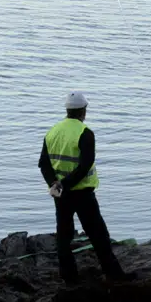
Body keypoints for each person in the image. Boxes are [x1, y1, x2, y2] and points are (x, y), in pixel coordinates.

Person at [38, 92, 129, 283]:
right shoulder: (85, 133)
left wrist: (54, 183)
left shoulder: (53, 131)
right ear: (83, 111)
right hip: (82, 193)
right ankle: (115, 275)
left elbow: (43, 164)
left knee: (64, 236)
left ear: (67, 110)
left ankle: (69, 278)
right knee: (99, 235)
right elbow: (84, 166)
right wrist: (64, 184)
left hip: (61, 194)